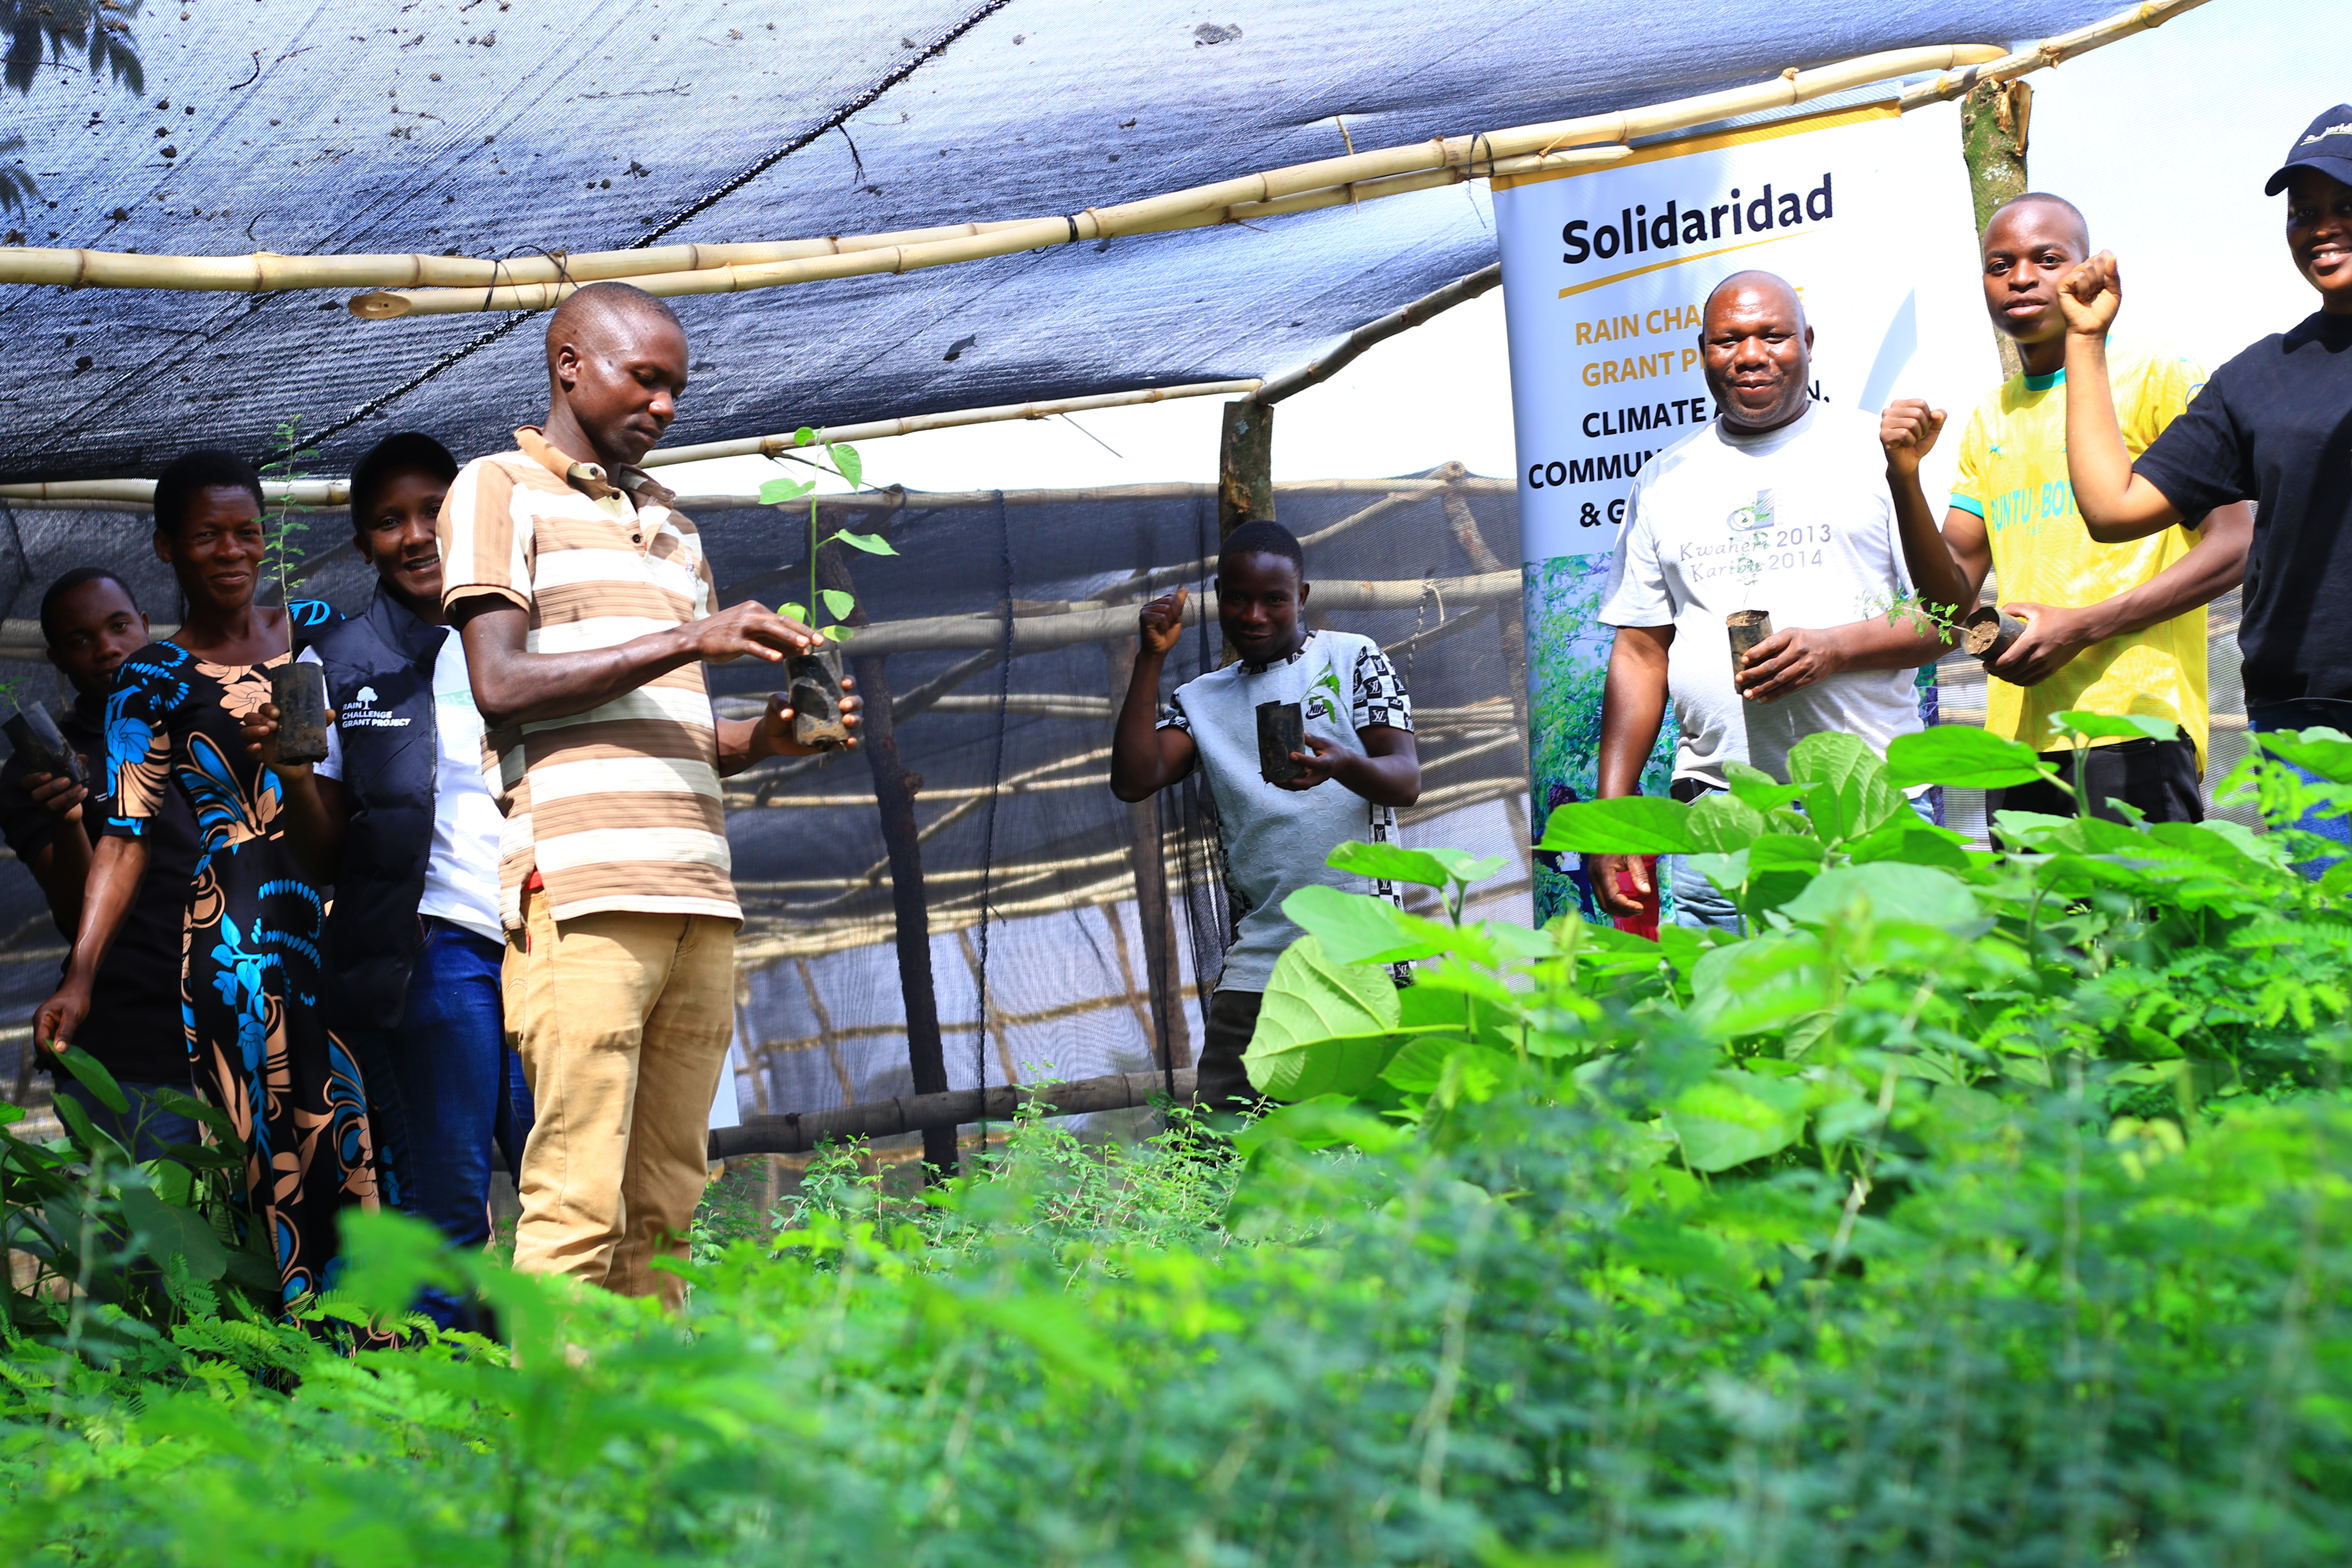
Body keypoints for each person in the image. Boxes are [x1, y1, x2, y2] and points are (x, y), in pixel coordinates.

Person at [438, 280, 859, 1308]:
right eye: (646, 378)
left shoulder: (671, 521)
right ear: (570, 363)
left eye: (677, 388)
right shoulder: (495, 488)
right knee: (578, 1197)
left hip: (698, 896)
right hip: (583, 890)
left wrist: (761, 738)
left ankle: (641, 1441)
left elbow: (668, 726)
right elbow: (500, 683)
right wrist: (688, 636)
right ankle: (554, 1449)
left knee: (668, 1197)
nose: (665, 405)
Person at [31, 452, 380, 1317]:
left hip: (338, 919)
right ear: (167, 549)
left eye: (247, 532)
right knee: (266, 1157)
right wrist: (81, 972)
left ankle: (400, 1345)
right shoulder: (148, 681)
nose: (232, 550)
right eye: (207, 536)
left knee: (367, 1135)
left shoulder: (321, 630)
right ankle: (288, 1357)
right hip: (230, 947)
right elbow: (123, 836)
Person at [242, 432, 528, 1332]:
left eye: (432, 513)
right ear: (364, 540)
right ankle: (454, 1430)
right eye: (387, 522)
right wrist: (291, 775)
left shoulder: (522, 630)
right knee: (447, 1215)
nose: (415, 536)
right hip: (435, 955)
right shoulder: (339, 662)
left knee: (568, 1184)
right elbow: (326, 860)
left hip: (545, 934)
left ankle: (585, 1401)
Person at [1584, 270, 1945, 931]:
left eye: (1772, 336)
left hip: (1869, 805)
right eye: (1728, 341)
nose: (1750, 355)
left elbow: (1949, 621)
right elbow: (1640, 652)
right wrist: (1613, 812)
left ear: (1808, 342)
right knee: (1729, 1024)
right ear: (1702, 353)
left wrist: (1834, 649)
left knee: (1886, 1021)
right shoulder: (1664, 480)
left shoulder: (1878, 456)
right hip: (1720, 821)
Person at [1880, 193, 2253, 827]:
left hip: (2137, 725)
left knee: (2140, 928)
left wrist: (2083, 625)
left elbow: (2240, 542)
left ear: (2086, 270)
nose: (2021, 277)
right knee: (2041, 930)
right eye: (2000, 265)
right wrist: (1905, 480)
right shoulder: (1989, 417)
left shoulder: (2156, 373)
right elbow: (1949, 605)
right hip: (2016, 753)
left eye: (2046, 259)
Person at [2059, 106, 2352, 863]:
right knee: (2332, 953)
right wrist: (2085, 343)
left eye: (2347, 206)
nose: (2322, 227)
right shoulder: (2263, 377)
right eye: (2305, 212)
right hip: (2310, 721)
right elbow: (2113, 507)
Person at [1109, 519, 1421, 1113]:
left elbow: (1405, 780)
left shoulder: (1354, 659)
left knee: (1375, 1159)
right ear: (1219, 597)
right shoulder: (1200, 700)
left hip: (1364, 955)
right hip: (1260, 968)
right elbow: (1134, 779)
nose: (1254, 615)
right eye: (1237, 598)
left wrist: (1343, 765)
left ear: (1300, 598)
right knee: (1221, 1159)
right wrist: (1150, 660)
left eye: (1273, 599)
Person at [0, 569, 202, 1160]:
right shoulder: (38, 770)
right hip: (131, 1038)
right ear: (56, 659)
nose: (107, 647)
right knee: (149, 1241)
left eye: (118, 626)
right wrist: (68, 823)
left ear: (145, 625)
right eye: (81, 639)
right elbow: (73, 913)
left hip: (243, 1016)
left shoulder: (206, 719)